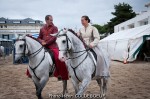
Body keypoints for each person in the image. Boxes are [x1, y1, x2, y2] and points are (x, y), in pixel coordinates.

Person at [26, 15, 69, 80]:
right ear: (46, 20)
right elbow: (39, 37)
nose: (52, 21)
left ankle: (61, 74)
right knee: (33, 56)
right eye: (50, 20)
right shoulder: (42, 28)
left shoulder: (55, 28)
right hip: (43, 46)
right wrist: (41, 41)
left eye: (52, 20)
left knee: (58, 59)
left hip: (53, 46)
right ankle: (30, 73)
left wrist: (46, 43)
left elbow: (54, 37)